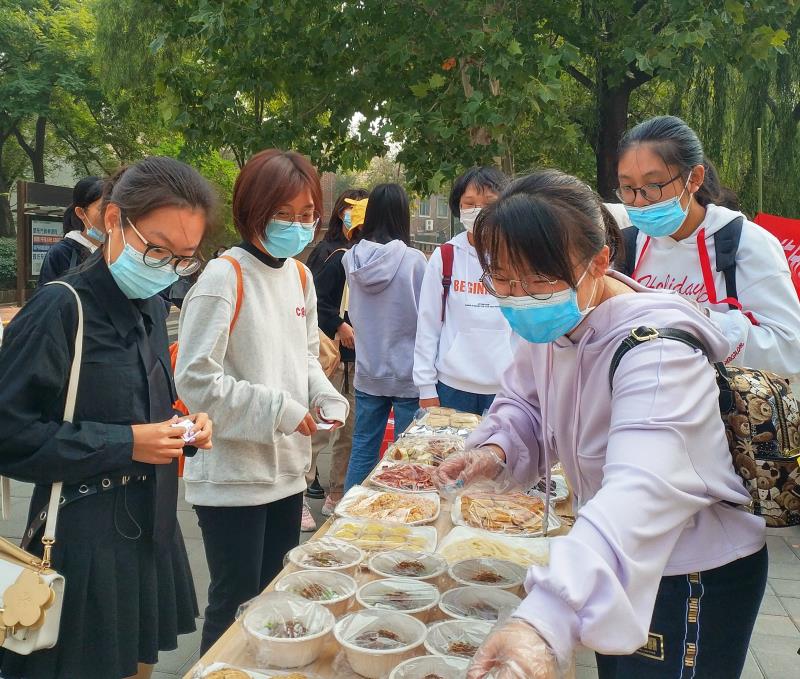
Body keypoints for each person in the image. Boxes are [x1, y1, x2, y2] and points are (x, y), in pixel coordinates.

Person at [434, 170, 767, 679]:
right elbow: (526, 404)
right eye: (502, 278)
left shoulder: (658, 352)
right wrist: (496, 450)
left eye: (540, 278)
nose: (520, 296)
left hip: (688, 573)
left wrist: (546, 616)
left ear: (599, 260)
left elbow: (639, 490)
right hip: (611, 557)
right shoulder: (560, 324)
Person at [0, 157, 216, 679]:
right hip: (84, 538)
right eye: (157, 249)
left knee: (139, 666)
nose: (166, 267)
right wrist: (126, 443)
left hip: (150, 529)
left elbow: (143, 409)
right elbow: (8, 433)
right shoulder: (60, 309)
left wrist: (184, 426)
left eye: (184, 258)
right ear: (115, 220)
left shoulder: (151, 307)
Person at [174, 149, 349, 653]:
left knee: (274, 595)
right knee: (234, 603)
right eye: (284, 213)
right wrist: (279, 410)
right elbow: (195, 380)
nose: (298, 225)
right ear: (252, 209)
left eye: (307, 214)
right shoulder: (223, 276)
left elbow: (304, 358)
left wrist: (324, 396)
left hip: (286, 472)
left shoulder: (300, 276)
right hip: (233, 476)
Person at [616, 115, 800, 375]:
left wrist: (698, 320)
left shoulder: (746, 242)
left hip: (722, 399)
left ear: (694, 178)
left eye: (653, 185)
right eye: (627, 187)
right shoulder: (625, 248)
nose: (639, 201)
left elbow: (790, 350)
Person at [342, 183, 427, 491]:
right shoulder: (415, 261)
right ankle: (404, 513)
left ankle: (350, 510)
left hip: (368, 369)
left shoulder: (351, 259)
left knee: (363, 449)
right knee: (408, 458)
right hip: (408, 372)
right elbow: (426, 317)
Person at [413, 167, 515, 415]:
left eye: (489, 203)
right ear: (458, 207)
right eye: (469, 203)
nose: (478, 210)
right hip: (452, 388)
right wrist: (426, 388)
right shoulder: (445, 256)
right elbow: (428, 325)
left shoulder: (517, 257)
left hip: (506, 388)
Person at [303, 188, 369, 522]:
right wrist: (339, 325)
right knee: (317, 430)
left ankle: (337, 492)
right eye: (349, 210)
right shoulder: (327, 252)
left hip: (358, 360)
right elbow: (312, 301)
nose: (353, 217)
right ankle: (300, 494)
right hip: (329, 358)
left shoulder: (370, 254)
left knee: (350, 432)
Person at [38, 176, 106, 286]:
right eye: (103, 208)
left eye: (115, 208)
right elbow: (47, 295)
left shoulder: (117, 251)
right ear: (81, 213)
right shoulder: (61, 253)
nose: (111, 214)